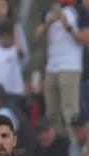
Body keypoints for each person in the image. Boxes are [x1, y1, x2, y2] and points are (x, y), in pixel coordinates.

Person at [37, 0, 89, 135]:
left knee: (70, 111)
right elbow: (38, 38)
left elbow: (86, 39)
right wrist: (49, 23)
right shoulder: (49, 10)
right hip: (51, 68)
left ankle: (75, 147)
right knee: (51, 113)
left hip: (70, 66)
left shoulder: (79, 10)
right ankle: (57, 148)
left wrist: (68, 27)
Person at [0, 20, 26, 107]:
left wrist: (15, 32)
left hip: (13, 92)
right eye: (3, 36)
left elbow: (20, 51)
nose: (6, 39)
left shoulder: (15, 51)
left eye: (9, 36)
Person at [0, 0, 29, 68]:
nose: (0, 10)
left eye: (3, 6)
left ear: (8, 8)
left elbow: (23, 55)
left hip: (11, 68)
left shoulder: (16, 27)